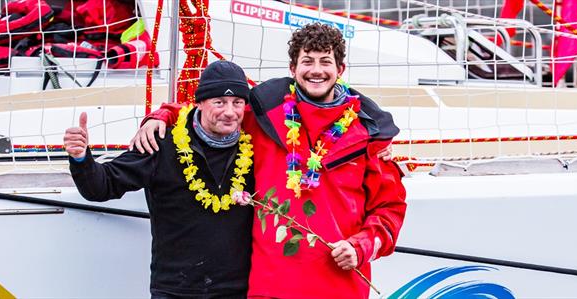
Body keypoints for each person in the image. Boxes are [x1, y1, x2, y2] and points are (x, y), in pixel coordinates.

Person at [135, 23, 407, 298]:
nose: (316, 70)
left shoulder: (368, 133)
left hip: (339, 288)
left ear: (340, 70)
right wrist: (162, 115)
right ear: (292, 69)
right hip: (271, 288)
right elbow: (213, 113)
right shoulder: (265, 117)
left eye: (325, 61)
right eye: (307, 61)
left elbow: (390, 208)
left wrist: (361, 247)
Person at [64, 60, 255, 298]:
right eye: (219, 102)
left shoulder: (255, 148)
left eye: (237, 102)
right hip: (175, 290)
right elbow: (101, 187)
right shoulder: (159, 142)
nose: (229, 111)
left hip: (236, 290)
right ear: (199, 103)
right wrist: (81, 158)